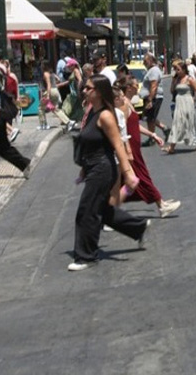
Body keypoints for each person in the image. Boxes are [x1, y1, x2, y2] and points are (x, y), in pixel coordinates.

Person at [69, 75, 150, 271]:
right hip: (93, 167)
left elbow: (118, 145)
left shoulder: (106, 115)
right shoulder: (92, 112)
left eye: (89, 88)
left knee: (87, 212)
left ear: (98, 91)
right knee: (103, 210)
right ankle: (137, 227)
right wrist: (82, 170)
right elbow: (90, 144)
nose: (85, 91)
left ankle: (86, 256)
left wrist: (129, 173)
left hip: (103, 169)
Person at [115, 78, 181, 216]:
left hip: (133, 146)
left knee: (128, 180)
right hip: (129, 147)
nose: (138, 86)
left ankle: (111, 208)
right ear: (128, 88)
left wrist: (152, 134)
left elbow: (134, 125)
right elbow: (121, 128)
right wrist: (127, 149)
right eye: (135, 85)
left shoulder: (128, 103)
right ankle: (160, 204)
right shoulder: (124, 104)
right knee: (140, 176)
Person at [163, 61, 196, 153]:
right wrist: (173, 80)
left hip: (188, 102)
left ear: (184, 70)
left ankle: (172, 147)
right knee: (178, 122)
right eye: (176, 70)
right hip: (179, 102)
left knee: (190, 121)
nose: (177, 71)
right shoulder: (177, 79)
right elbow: (172, 91)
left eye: (178, 69)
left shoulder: (189, 79)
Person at [139, 52, 171, 146]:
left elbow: (154, 86)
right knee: (150, 117)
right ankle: (164, 128)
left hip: (154, 97)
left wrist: (150, 100)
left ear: (151, 60)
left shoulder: (154, 70)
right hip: (151, 97)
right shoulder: (151, 70)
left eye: (145, 60)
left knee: (150, 118)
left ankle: (151, 138)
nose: (144, 63)